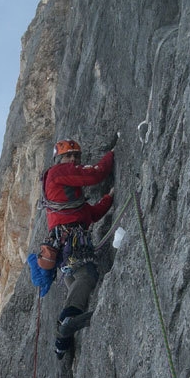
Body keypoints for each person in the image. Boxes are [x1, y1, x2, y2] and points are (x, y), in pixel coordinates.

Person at [40, 134, 118, 358]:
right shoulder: (57, 172)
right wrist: (111, 155)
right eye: (68, 156)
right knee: (87, 276)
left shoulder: (66, 196)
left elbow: (89, 214)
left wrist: (108, 199)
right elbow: (95, 175)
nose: (73, 159)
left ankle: (62, 343)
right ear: (58, 160)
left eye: (76, 155)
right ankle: (66, 320)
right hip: (72, 240)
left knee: (76, 283)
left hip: (63, 244)